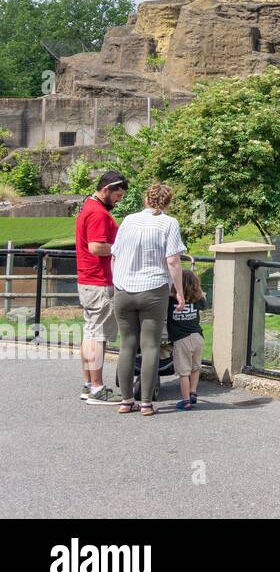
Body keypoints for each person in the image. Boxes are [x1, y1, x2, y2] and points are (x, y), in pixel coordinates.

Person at [111, 183, 186, 417]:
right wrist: (180, 292)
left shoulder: (129, 220)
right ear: (167, 202)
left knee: (127, 344)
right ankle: (146, 403)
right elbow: (173, 261)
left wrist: (118, 281)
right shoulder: (169, 223)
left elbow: (114, 256)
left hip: (123, 289)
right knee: (151, 345)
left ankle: (125, 401)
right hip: (153, 289)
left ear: (146, 199)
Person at [75, 171, 127, 405]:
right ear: (106, 189)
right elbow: (97, 247)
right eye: (117, 195)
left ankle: (89, 384)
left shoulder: (88, 206)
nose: (119, 200)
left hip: (88, 280)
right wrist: (121, 249)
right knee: (98, 336)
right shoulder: (97, 213)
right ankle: (97, 388)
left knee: (90, 333)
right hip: (99, 281)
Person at [168, 268, 205, 410]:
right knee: (195, 368)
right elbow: (204, 303)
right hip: (197, 337)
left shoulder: (170, 300)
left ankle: (185, 400)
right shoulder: (198, 299)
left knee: (184, 372)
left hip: (181, 339)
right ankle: (193, 392)